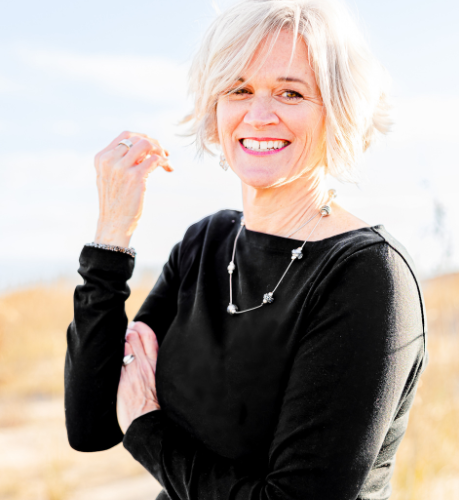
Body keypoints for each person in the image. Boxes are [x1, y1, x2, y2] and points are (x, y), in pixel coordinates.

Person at [64, 0, 428, 499]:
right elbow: (91, 425)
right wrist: (112, 232)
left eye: (290, 92)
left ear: (339, 110)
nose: (258, 116)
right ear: (215, 108)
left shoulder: (367, 275)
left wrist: (147, 428)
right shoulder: (206, 242)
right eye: (239, 89)